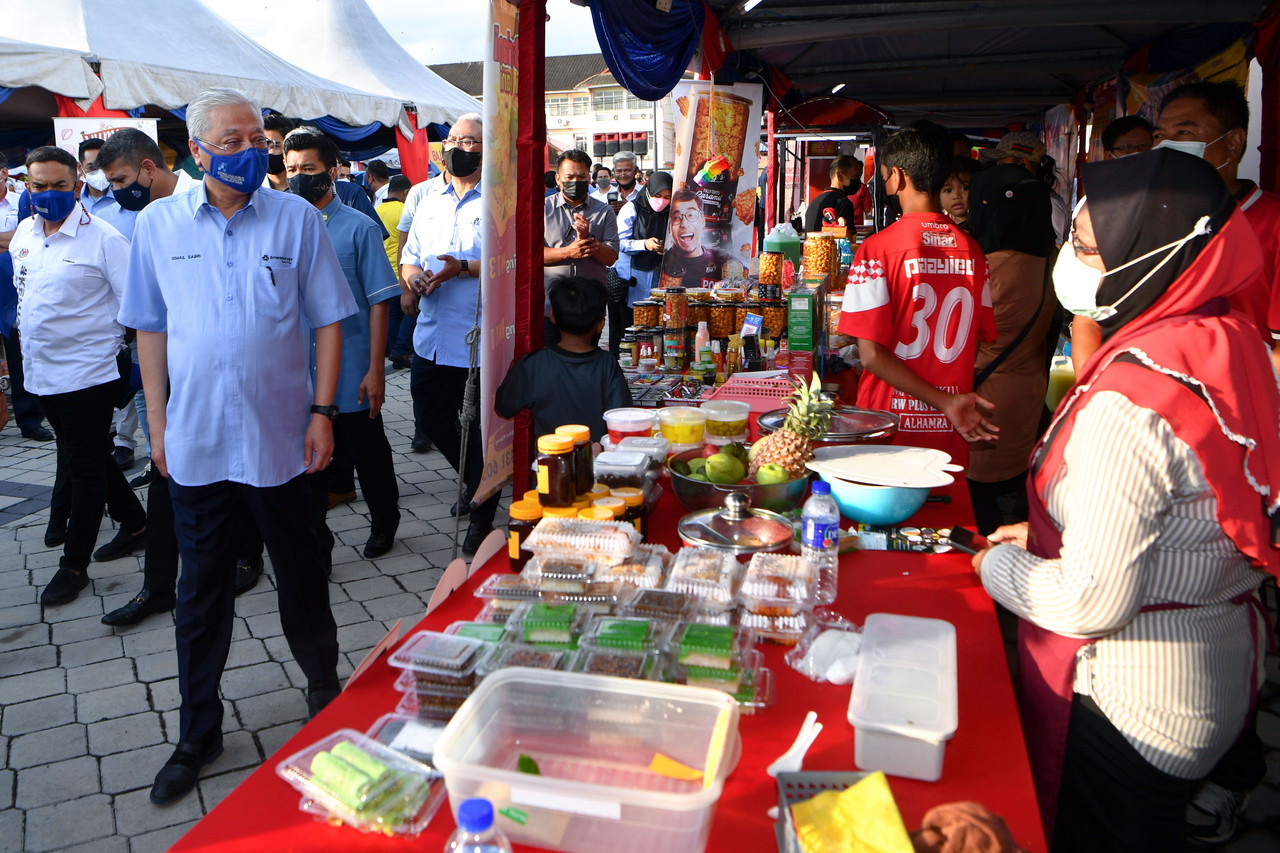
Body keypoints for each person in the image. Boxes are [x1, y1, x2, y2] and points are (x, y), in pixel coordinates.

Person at [972, 149, 1280, 853]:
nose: (1070, 259)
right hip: (1220, 664)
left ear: (1150, 255)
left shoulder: (1129, 404)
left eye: (1086, 245)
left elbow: (1089, 600)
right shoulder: (1226, 341)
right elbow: (1189, 509)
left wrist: (993, 565)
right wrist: (1046, 537)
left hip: (1133, 701)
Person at [119, 88, 356, 805]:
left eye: (259, 137)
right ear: (195, 152)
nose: (250, 149)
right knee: (201, 591)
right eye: (231, 140)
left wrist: (323, 410)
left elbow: (327, 321)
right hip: (194, 443)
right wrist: (157, 427)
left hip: (282, 438)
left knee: (302, 570)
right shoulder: (158, 226)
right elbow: (148, 331)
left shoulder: (295, 220)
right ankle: (198, 729)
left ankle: (325, 690)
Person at [10, 146, 148, 605]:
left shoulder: (104, 239)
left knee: (83, 466)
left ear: (78, 184)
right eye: (40, 186)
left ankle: (74, 564)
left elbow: (138, 308)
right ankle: (135, 521)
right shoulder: (24, 235)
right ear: (27, 187)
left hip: (90, 374)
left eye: (60, 185)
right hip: (40, 371)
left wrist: (128, 358)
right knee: (82, 453)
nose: (49, 194)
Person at [1073, 81, 1280, 377]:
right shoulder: (1137, 216)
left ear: (1233, 143)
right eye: (1160, 136)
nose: (1168, 146)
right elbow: (1089, 318)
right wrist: (1094, 393)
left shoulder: (1273, 224)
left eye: (1184, 133)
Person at [95, 128, 207, 628]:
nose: (117, 191)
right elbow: (148, 313)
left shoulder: (211, 200)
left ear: (147, 167)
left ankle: (248, 557)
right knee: (165, 479)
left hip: (235, 370)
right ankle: (159, 587)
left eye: (120, 179)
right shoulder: (148, 221)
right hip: (178, 370)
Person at [836, 125, 996, 466]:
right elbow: (977, 340)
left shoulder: (876, 250)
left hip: (888, 421)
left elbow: (871, 357)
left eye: (882, 175)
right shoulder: (973, 251)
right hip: (949, 425)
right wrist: (947, 399)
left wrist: (943, 401)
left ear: (897, 176)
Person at [283, 128, 401, 559]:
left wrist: (375, 371)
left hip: (351, 366)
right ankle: (319, 544)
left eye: (308, 169)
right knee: (309, 466)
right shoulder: (280, 227)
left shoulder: (359, 228)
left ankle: (385, 521)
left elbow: (379, 304)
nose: (298, 178)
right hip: (299, 369)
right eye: (291, 169)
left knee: (368, 453)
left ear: (332, 171)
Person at [401, 112, 496, 555]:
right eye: (455, 139)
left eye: (472, 141)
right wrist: (413, 276)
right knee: (432, 416)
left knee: (477, 427)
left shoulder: (498, 196)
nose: (461, 147)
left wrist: (465, 269)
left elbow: (512, 259)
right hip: (431, 333)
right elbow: (411, 257)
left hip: (479, 336)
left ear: (487, 147)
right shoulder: (427, 199)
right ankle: (477, 479)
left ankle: (482, 513)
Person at [964, 159, 1058, 534]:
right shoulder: (1051, 261)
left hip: (986, 400)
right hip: (1029, 393)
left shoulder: (990, 268)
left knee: (978, 506)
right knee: (1013, 492)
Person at [495, 275, 631, 440]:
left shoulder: (533, 363)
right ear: (600, 324)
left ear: (552, 316)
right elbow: (621, 416)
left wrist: (515, 366)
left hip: (550, 459)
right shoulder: (607, 364)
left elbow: (504, 407)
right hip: (596, 460)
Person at [0, 152, 54, 442]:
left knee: (19, 353)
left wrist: (9, 241)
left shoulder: (21, 199)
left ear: (4, 172)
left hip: (12, 287)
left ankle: (29, 419)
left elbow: (26, 235)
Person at [542, 149, 618, 346]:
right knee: (553, 363)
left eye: (581, 176)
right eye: (569, 177)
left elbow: (610, 258)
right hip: (551, 306)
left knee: (586, 362)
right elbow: (531, 256)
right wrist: (569, 252)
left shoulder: (604, 212)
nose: (575, 182)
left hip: (590, 306)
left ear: (588, 178)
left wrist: (588, 239)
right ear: (558, 179)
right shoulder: (542, 209)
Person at [611, 171, 673, 356]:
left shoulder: (670, 212)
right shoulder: (632, 208)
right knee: (626, 328)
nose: (662, 201)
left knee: (651, 327)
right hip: (628, 278)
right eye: (657, 195)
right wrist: (644, 244)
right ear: (648, 191)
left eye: (667, 197)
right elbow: (619, 243)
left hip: (655, 277)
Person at [662, 188, 730, 289]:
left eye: (691, 215)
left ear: (703, 220)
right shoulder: (663, 265)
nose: (684, 224)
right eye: (677, 217)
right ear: (670, 227)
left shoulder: (725, 261)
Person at [379, 175, 414, 370]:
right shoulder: (405, 211)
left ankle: (391, 349)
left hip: (383, 272)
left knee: (390, 315)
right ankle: (400, 349)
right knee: (408, 313)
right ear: (406, 192)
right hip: (400, 271)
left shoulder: (377, 210)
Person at [804, 155, 859, 239]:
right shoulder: (844, 203)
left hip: (812, 250)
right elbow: (848, 241)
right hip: (832, 251)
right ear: (839, 175)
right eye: (855, 176)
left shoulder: (814, 202)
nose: (858, 182)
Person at [940, 157, 979, 226]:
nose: (956, 196)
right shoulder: (938, 225)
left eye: (964, 188)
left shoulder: (981, 226)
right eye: (948, 190)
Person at [262, 112, 294, 192]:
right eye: (263, 145)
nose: (269, 151)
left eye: (275, 146)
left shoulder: (303, 188)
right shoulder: (253, 189)